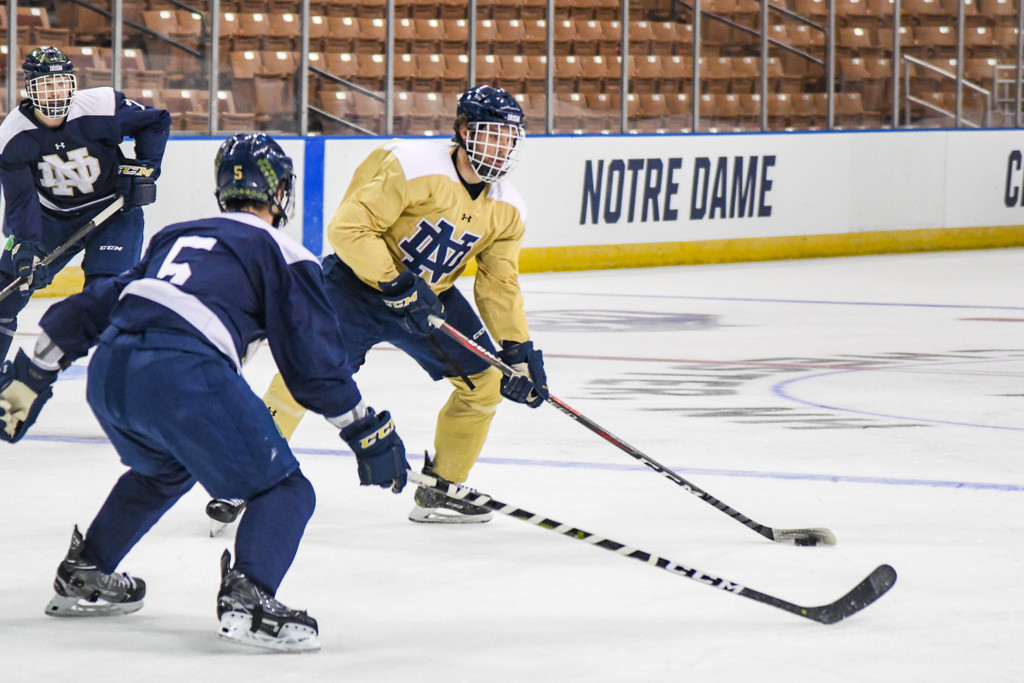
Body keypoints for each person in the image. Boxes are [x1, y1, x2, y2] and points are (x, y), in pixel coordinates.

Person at [0, 133, 409, 652]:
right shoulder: (285, 251)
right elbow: (312, 364)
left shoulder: (179, 233)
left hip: (112, 372)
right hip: (184, 373)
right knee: (285, 490)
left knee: (163, 469)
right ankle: (250, 598)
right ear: (280, 192)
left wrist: (33, 375)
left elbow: (99, 301)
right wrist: (363, 429)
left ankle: (88, 570)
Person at [253, 84, 547, 525]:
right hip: (356, 288)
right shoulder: (413, 168)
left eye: (508, 139)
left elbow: (499, 281)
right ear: (463, 131)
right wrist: (395, 283)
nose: (500, 148)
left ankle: (442, 489)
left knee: (485, 384)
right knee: (304, 375)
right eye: (490, 134)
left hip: (429, 301)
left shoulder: (508, 208)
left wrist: (517, 351)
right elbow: (349, 229)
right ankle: (247, 477)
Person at [0, 46, 171, 365]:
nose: (55, 93)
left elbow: (156, 121)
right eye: (46, 85)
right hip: (54, 217)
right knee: (5, 295)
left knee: (106, 298)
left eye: (61, 83)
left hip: (113, 213)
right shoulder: (13, 136)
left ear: (72, 83)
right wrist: (26, 246)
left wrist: (143, 169)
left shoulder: (102, 105)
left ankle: (121, 382)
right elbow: (22, 199)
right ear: (30, 89)